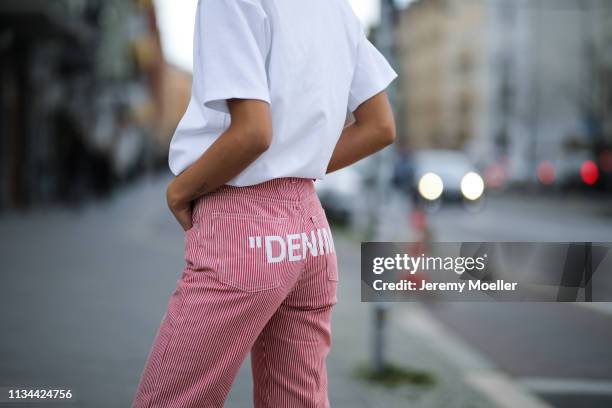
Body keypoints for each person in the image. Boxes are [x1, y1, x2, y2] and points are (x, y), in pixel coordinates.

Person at [132, 0, 397, 406]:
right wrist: (295, 161)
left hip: (243, 224)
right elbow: (380, 125)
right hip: (310, 235)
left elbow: (254, 132)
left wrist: (180, 191)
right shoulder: (336, 9)